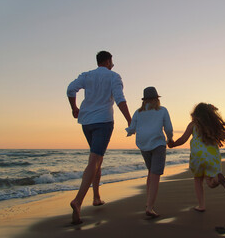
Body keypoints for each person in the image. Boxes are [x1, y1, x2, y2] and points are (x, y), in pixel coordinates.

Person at [66, 51, 132, 224]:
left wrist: (74, 108)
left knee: (97, 159)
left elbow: (70, 89)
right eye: (112, 61)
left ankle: (96, 197)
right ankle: (78, 201)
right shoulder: (114, 76)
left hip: (87, 122)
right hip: (103, 122)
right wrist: (130, 121)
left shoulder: (87, 75)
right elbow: (120, 99)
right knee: (94, 161)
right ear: (109, 61)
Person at [168, 103, 225, 212]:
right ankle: (217, 178)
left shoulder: (193, 125)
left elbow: (183, 139)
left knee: (198, 180)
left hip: (197, 156)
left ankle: (201, 205)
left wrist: (173, 144)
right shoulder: (213, 125)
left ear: (196, 114)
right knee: (210, 183)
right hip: (212, 156)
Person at [126, 86, 173, 218]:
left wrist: (129, 132)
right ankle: (150, 207)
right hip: (157, 143)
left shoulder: (137, 112)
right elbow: (168, 128)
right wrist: (170, 139)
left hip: (143, 144)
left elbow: (132, 128)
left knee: (151, 172)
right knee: (155, 175)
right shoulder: (162, 110)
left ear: (144, 100)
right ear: (156, 99)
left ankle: (148, 202)